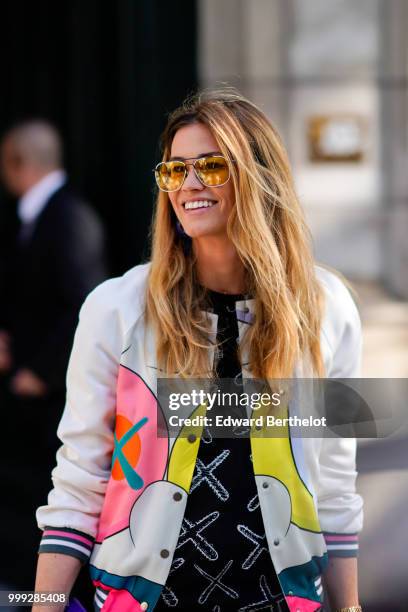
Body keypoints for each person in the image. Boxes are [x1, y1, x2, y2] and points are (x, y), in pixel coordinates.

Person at [33, 91, 363, 612]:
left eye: (211, 166)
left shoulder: (326, 310)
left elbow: (336, 487)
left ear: (258, 177)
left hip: (281, 601)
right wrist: (42, 603)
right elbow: (79, 481)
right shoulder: (117, 309)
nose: (188, 185)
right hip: (140, 601)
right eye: (174, 170)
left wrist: (349, 607)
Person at [0, 120, 107, 590]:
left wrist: (39, 372)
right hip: (27, 406)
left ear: (16, 163)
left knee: (55, 508)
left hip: (55, 406)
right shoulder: (38, 217)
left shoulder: (69, 218)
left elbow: (85, 303)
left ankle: (47, 596)